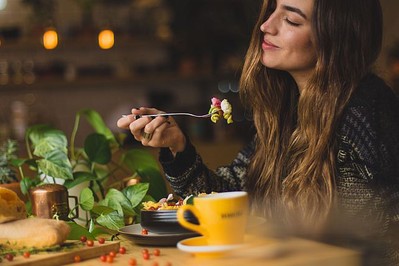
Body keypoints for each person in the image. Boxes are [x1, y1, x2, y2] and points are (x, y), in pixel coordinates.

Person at [117, 0, 399, 264]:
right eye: (272, 8)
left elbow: (369, 238)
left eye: (290, 20)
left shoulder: (365, 112)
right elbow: (231, 199)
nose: (266, 25)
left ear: (336, 38)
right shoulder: (287, 110)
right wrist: (177, 148)